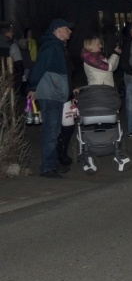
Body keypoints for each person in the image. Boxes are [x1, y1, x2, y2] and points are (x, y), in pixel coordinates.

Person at [26, 18, 73, 178]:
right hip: (51, 93)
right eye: (67, 28)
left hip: (55, 93)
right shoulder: (51, 47)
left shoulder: (56, 46)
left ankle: (52, 163)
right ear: (57, 30)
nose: (70, 31)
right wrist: (32, 87)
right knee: (51, 131)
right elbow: (39, 67)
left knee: (54, 130)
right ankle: (47, 167)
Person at [0, 22, 24, 105]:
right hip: (10, 78)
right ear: (7, 33)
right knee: (11, 101)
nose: (13, 34)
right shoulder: (12, 46)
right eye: (11, 32)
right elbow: (18, 64)